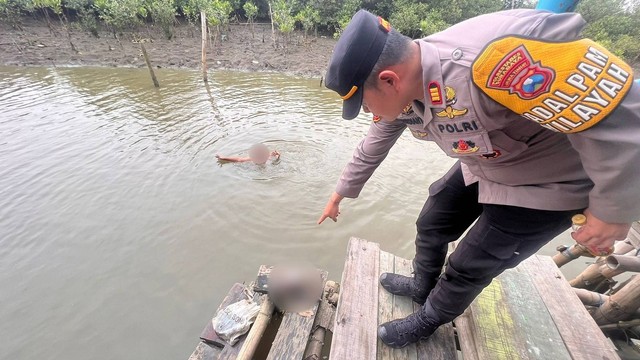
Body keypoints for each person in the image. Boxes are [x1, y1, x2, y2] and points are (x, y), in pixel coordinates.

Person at [318, 8, 640, 349]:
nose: (367, 113)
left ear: (388, 80)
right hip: (488, 162)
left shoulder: (498, 60)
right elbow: (373, 144)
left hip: (549, 185)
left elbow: (622, 121)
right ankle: (421, 283)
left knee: (470, 262)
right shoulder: (407, 84)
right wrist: (341, 192)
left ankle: (429, 319)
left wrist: (612, 210)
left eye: (363, 104)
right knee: (433, 220)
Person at [216, 143, 280, 164]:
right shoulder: (251, 159)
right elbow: (238, 159)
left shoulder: (268, 157)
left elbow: (276, 157)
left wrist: (278, 156)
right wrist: (223, 158)